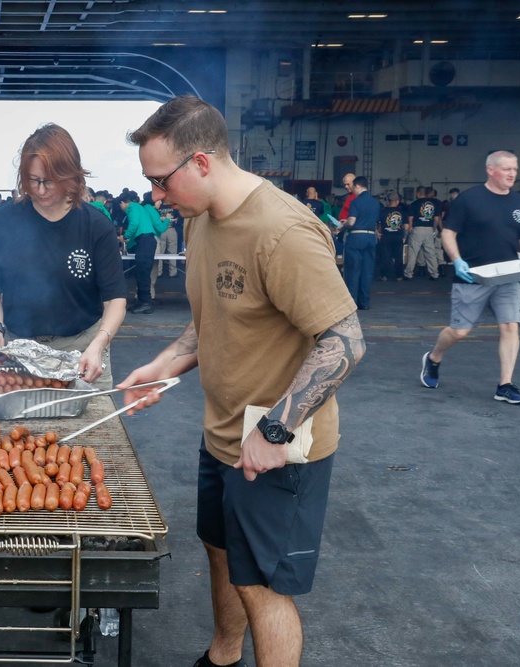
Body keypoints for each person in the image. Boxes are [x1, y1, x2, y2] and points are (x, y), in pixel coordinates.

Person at [120, 96, 365, 667]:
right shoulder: (202, 219)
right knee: (222, 553)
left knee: (263, 588)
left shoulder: (282, 230)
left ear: (200, 163)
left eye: (160, 180)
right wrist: (165, 363)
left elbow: (345, 341)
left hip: (279, 447)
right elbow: (215, 319)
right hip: (224, 436)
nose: (155, 195)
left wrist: (276, 430)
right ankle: (222, 656)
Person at [0, 123, 128, 389]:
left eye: (49, 181)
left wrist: (99, 344)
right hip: (19, 350)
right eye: (33, 180)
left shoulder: (95, 225)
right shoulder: (1, 221)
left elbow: (115, 300)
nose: (40, 190)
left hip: (82, 350)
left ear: (71, 175)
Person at [420, 150, 520, 404]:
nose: (512, 173)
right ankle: (433, 359)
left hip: (508, 276)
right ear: (491, 170)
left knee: (511, 326)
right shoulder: (469, 200)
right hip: (473, 276)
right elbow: (448, 233)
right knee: (460, 331)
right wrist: (457, 261)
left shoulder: (519, 202)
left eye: (515, 168)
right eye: (507, 169)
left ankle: (505, 385)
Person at [122, 191, 167, 314]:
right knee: (142, 273)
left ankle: (145, 303)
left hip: (145, 242)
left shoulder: (132, 207)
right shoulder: (139, 207)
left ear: (123, 203)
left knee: (143, 274)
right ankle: (142, 302)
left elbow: (134, 224)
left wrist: (125, 237)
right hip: (146, 241)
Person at [341, 176, 380, 310]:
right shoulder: (376, 203)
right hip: (370, 238)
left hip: (356, 238)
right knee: (367, 271)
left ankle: (352, 302)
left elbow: (351, 221)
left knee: (353, 270)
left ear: (357, 186)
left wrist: (342, 225)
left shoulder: (356, 202)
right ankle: (364, 302)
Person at [403, 186, 441, 280]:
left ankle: (408, 273)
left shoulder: (414, 204)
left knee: (413, 252)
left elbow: (410, 219)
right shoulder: (434, 203)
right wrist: (433, 229)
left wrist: (409, 230)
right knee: (430, 252)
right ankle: (434, 273)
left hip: (417, 229)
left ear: (418, 193)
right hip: (429, 228)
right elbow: (436, 219)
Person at [377, 191, 405, 281]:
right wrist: (405, 237)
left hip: (386, 236)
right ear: (397, 201)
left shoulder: (382, 211)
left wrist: (378, 233)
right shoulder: (402, 211)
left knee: (385, 256)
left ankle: (384, 275)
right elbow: (406, 226)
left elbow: (379, 225)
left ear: (388, 201)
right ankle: (399, 275)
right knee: (398, 257)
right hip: (398, 236)